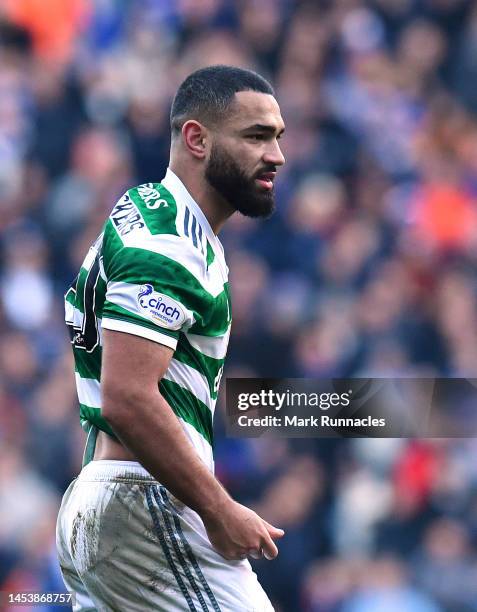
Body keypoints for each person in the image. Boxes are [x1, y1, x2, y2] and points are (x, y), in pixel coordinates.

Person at [56, 65, 286, 611]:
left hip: (103, 502)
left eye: (278, 137)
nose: (275, 155)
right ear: (196, 138)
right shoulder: (170, 244)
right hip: (143, 501)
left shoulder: (147, 213)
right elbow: (129, 397)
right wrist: (220, 510)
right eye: (256, 136)